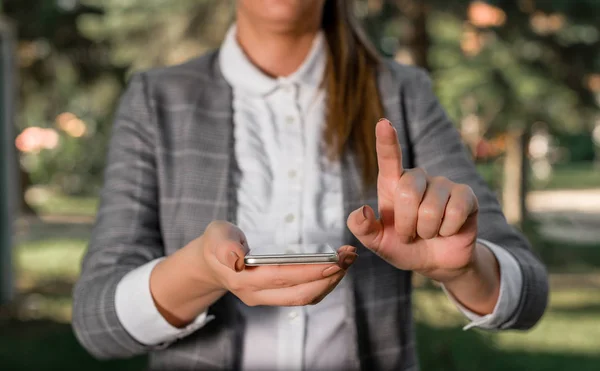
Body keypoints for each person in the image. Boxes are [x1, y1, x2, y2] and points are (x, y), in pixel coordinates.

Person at [72, 0, 548, 370]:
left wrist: (463, 269)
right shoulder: (157, 100)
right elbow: (97, 324)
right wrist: (199, 271)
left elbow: (527, 296)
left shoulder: (403, 93)